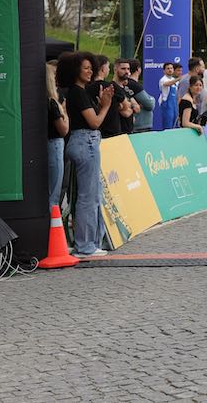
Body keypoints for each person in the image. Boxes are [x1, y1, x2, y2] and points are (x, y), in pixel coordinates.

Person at [58, 51, 112, 258]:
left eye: (91, 68)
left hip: (80, 142)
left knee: (87, 195)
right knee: (88, 197)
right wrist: (105, 107)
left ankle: (88, 242)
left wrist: (101, 105)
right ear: (75, 71)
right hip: (85, 143)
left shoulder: (77, 92)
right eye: (86, 68)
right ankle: (85, 245)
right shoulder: (78, 92)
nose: (90, 72)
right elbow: (95, 122)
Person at [91, 55, 131, 139]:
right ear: (103, 69)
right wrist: (118, 106)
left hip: (94, 131)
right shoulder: (111, 87)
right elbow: (126, 106)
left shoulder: (86, 87)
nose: (109, 70)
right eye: (108, 67)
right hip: (112, 130)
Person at [47, 62, 68, 212]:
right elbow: (63, 130)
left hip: (49, 143)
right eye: (54, 76)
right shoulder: (52, 103)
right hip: (54, 143)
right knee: (54, 191)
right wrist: (65, 112)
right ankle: (53, 221)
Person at [127, 58, 156, 133]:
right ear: (138, 69)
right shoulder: (135, 85)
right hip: (140, 125)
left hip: (134, 123)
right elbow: (150, 104)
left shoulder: (126, 83)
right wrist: (152, 98)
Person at [158, 62, 180, 129]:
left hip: (174, 104)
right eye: (168, 68)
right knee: (168, 123)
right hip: (167, 104)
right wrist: (178, 79)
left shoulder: (174, 80)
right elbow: (167, 84)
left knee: (175, 122)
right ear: (164, 71)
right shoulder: (163, 79)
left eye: (171, 68)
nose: (170, 70)